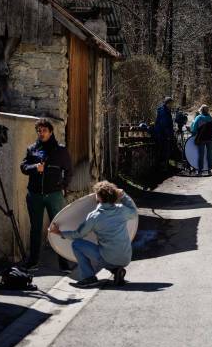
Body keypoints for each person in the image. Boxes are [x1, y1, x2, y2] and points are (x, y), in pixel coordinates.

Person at [49, 181, 138, 288]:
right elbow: (134, 211)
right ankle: (116, 270)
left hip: (109, 258)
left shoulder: (94, 216)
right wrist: (123, 195)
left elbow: (78, 234)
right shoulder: (122, 210)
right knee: (107, 252)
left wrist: (59, 232)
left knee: (77, 244)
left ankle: (89, 278)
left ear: (99, 198)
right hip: (126, 258)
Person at [20, 118, 73, 272]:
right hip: (35, 195)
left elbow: (69, 171)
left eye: (44, 130)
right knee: (35, 229)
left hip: (54, 195)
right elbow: (23, 167)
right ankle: (33, 262)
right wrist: (35, 167)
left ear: (50, 132)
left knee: (58, 228)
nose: (41, 133)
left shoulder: (60, 150)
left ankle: (64, 263)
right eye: (39, 130)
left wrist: (63, 186)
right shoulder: (32, 149)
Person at [191, 104, 212, 176]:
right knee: (209, 154)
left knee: (201, 155)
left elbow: (194, 128)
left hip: (201, 138)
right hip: (210, 139)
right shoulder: (210, 118)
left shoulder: (199, 118)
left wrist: (193, 134)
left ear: (201, 110)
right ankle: (209, 170)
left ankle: (200, 171)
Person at [153, 96, 174, 171]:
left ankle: (164, 166)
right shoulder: (163, 111)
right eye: (171, 103)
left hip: (163, 134)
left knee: (164, 150)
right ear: (167, 103)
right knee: (163, 151)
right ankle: (162, 168)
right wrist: (168, 135)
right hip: (162, 134)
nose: (172, 105)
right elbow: (164, 124)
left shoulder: (166, 110)